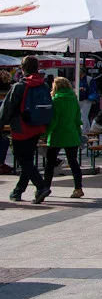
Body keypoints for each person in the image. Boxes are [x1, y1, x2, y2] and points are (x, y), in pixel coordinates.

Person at [0, 56, 50, 202]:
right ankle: (18, 191)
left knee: (23, 160)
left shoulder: (19, 86)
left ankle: (41, 186)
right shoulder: (44, 85)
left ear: (22, 69)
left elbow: (6, 109)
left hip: (21, 128)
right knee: (27, 159)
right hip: (38, 127)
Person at [39, 77, 84, 202]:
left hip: (57, 135)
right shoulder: (74, 100)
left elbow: (53, 121)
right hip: (72, 134)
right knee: (73, 162)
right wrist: (79, 134)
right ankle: (78, 188)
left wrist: (45, 134)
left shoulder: (55, 100)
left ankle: (45, 187)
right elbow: (77, 119)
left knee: (49, 164)